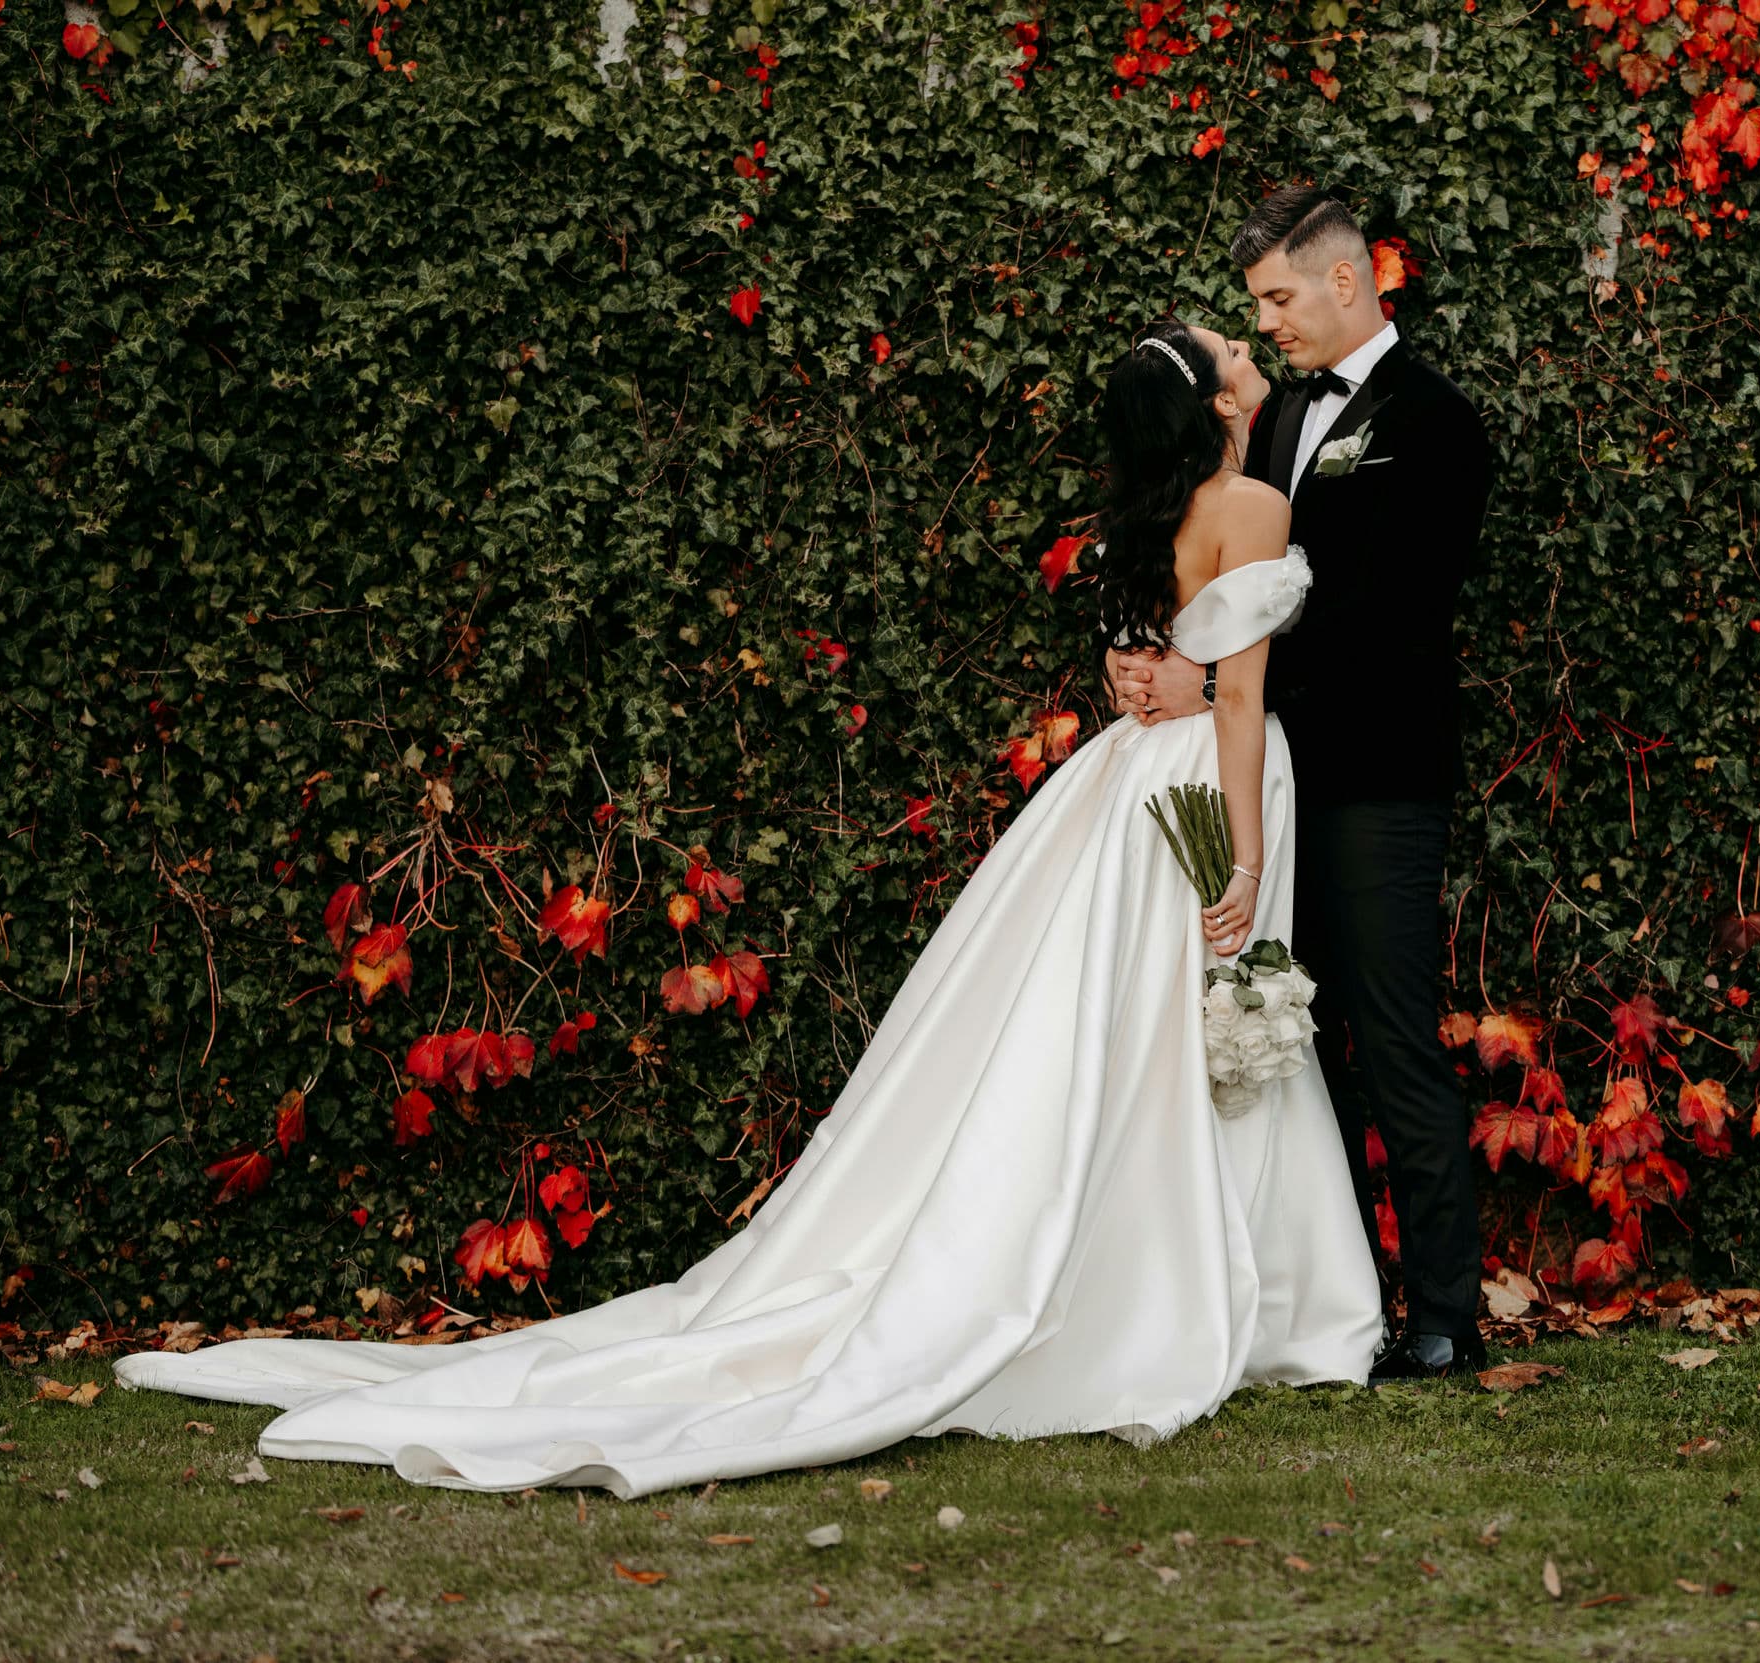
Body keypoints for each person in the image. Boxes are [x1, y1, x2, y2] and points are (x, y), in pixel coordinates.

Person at [111, 318, 1383, 1500]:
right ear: (1217, 402)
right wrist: (1241, 857)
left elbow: (1154, 653)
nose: (1245, 346)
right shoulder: (1253, 503)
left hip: (1122, 780)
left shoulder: (1142, 512)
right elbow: (1232, 692)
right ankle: (1195, 1290)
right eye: (1229, 346)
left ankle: (1178, 1271)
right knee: (1181, 1017)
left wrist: (1147, 669)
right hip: (1206, 779)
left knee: (1142, 1030)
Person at [1106, 187, 1494, 1381]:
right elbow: (1210, 566)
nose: (1266, 322)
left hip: (1376, 778)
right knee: (1285, 1043)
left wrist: (1219, 675)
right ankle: (1327, 1305)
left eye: (1277, 297)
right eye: (1255, 306)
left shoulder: (1437, 421)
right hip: (1261, 784)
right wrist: (1157, 657)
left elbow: (1392, 614)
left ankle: (1445, 1314)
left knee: (1391, 1034)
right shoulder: (1269, 425)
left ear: (1344, 278)